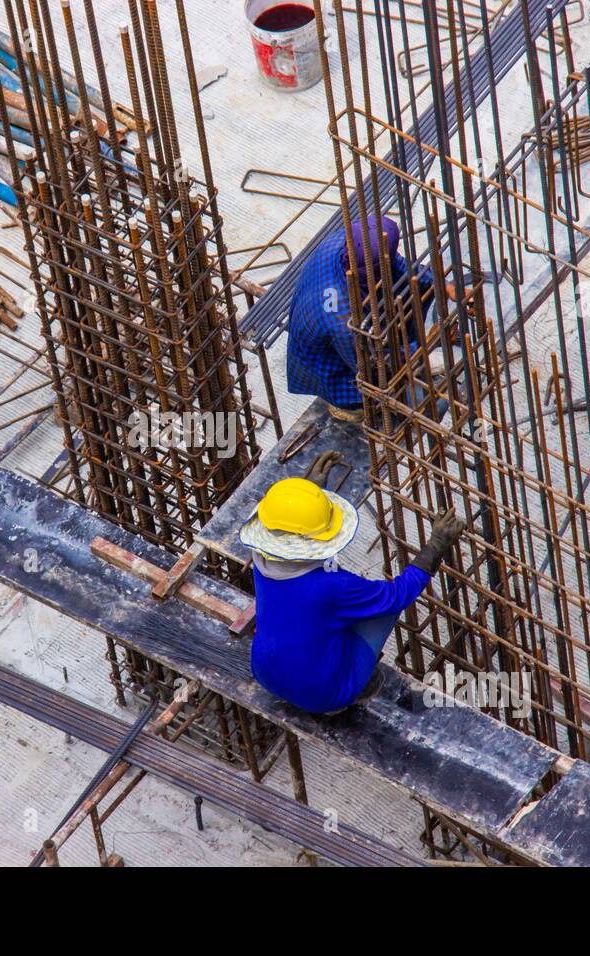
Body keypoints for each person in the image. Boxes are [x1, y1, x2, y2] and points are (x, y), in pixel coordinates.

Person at [238, 451, 467, 715]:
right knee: (383, 608)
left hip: (265, 672)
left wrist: (310, 496)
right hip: (322, 695)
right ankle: (353, 689)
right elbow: (396, 596)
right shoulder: (334, 586)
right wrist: (435, 546)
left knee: (320, 614)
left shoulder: (261, 558)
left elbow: (290, 527)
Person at [285, 216, 439, 423]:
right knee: (383, 384)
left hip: (338, 328)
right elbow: (372, 363)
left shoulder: (347, 242)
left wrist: (441, 284)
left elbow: (394, 263)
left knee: (411, 289)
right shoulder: (341, 316)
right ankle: (349, 407)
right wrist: (422, 349)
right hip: (331, 368)